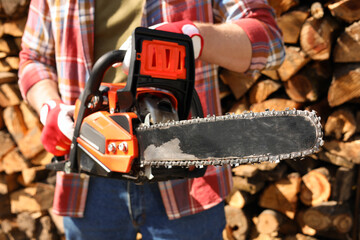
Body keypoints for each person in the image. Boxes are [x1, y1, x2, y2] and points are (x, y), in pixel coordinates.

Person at [18, 0, 285, 239]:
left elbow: (269, 40)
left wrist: (195, 37)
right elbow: (33, 58)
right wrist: (49, 106)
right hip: (89, 177)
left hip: (184, 173)